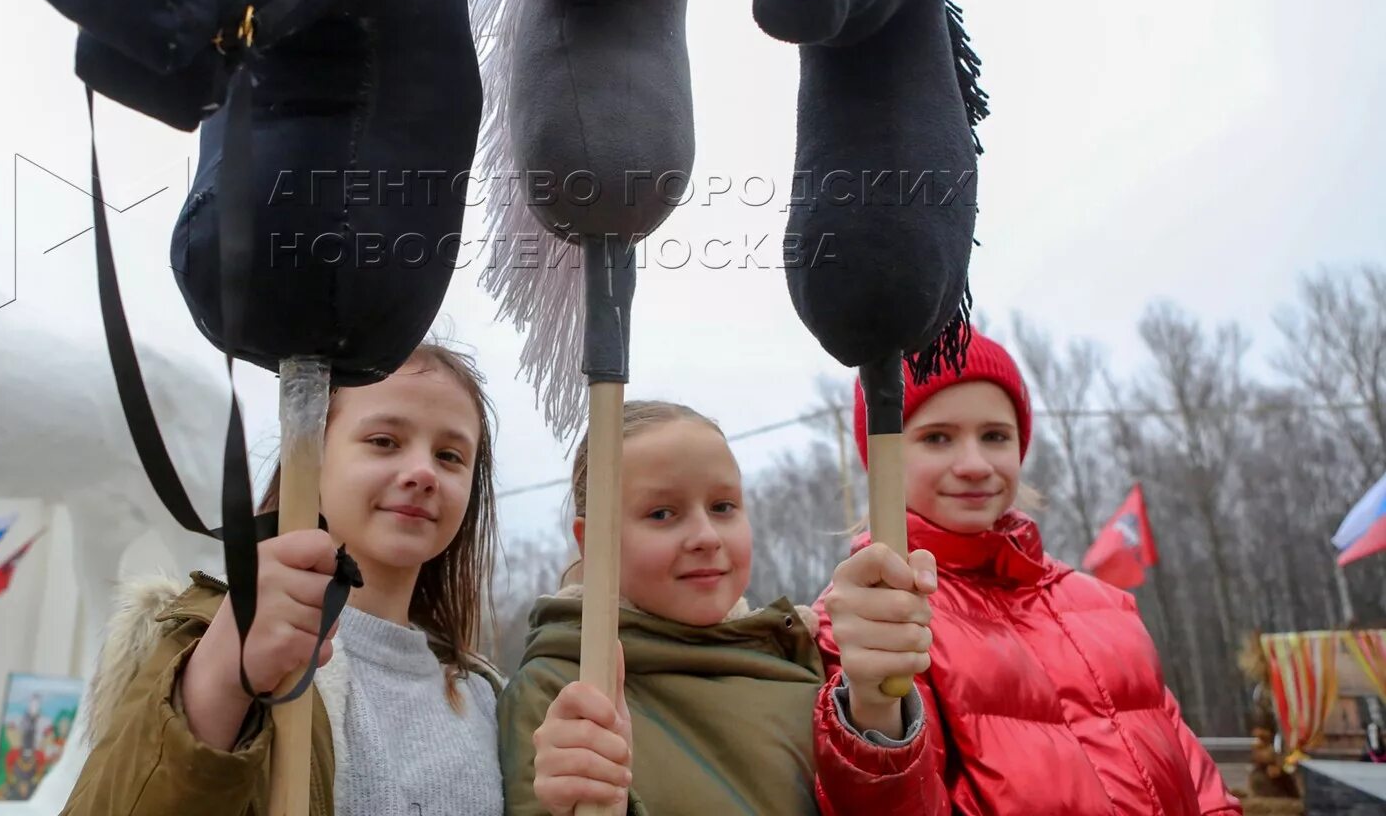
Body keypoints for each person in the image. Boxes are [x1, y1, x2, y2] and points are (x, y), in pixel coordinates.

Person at [63, 340, 503, 816]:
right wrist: (216, 685)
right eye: (384, 441)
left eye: (450, 456)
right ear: (308, 456)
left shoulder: (488, 698)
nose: (423, 472)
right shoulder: (206, 642)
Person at [814, 332, 1239, 815]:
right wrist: (872, 712)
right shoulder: (870, 618)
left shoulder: (1105, 605)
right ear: (884, 457)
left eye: (995, 435)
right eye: (937, 437)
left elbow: (1202, 788)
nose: (975, 464)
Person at [502, 401, 827, 816]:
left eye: (723, 507)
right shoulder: (562, 692)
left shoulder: (802, 666)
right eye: (662, 514)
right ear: (593, 541)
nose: (706, 536)